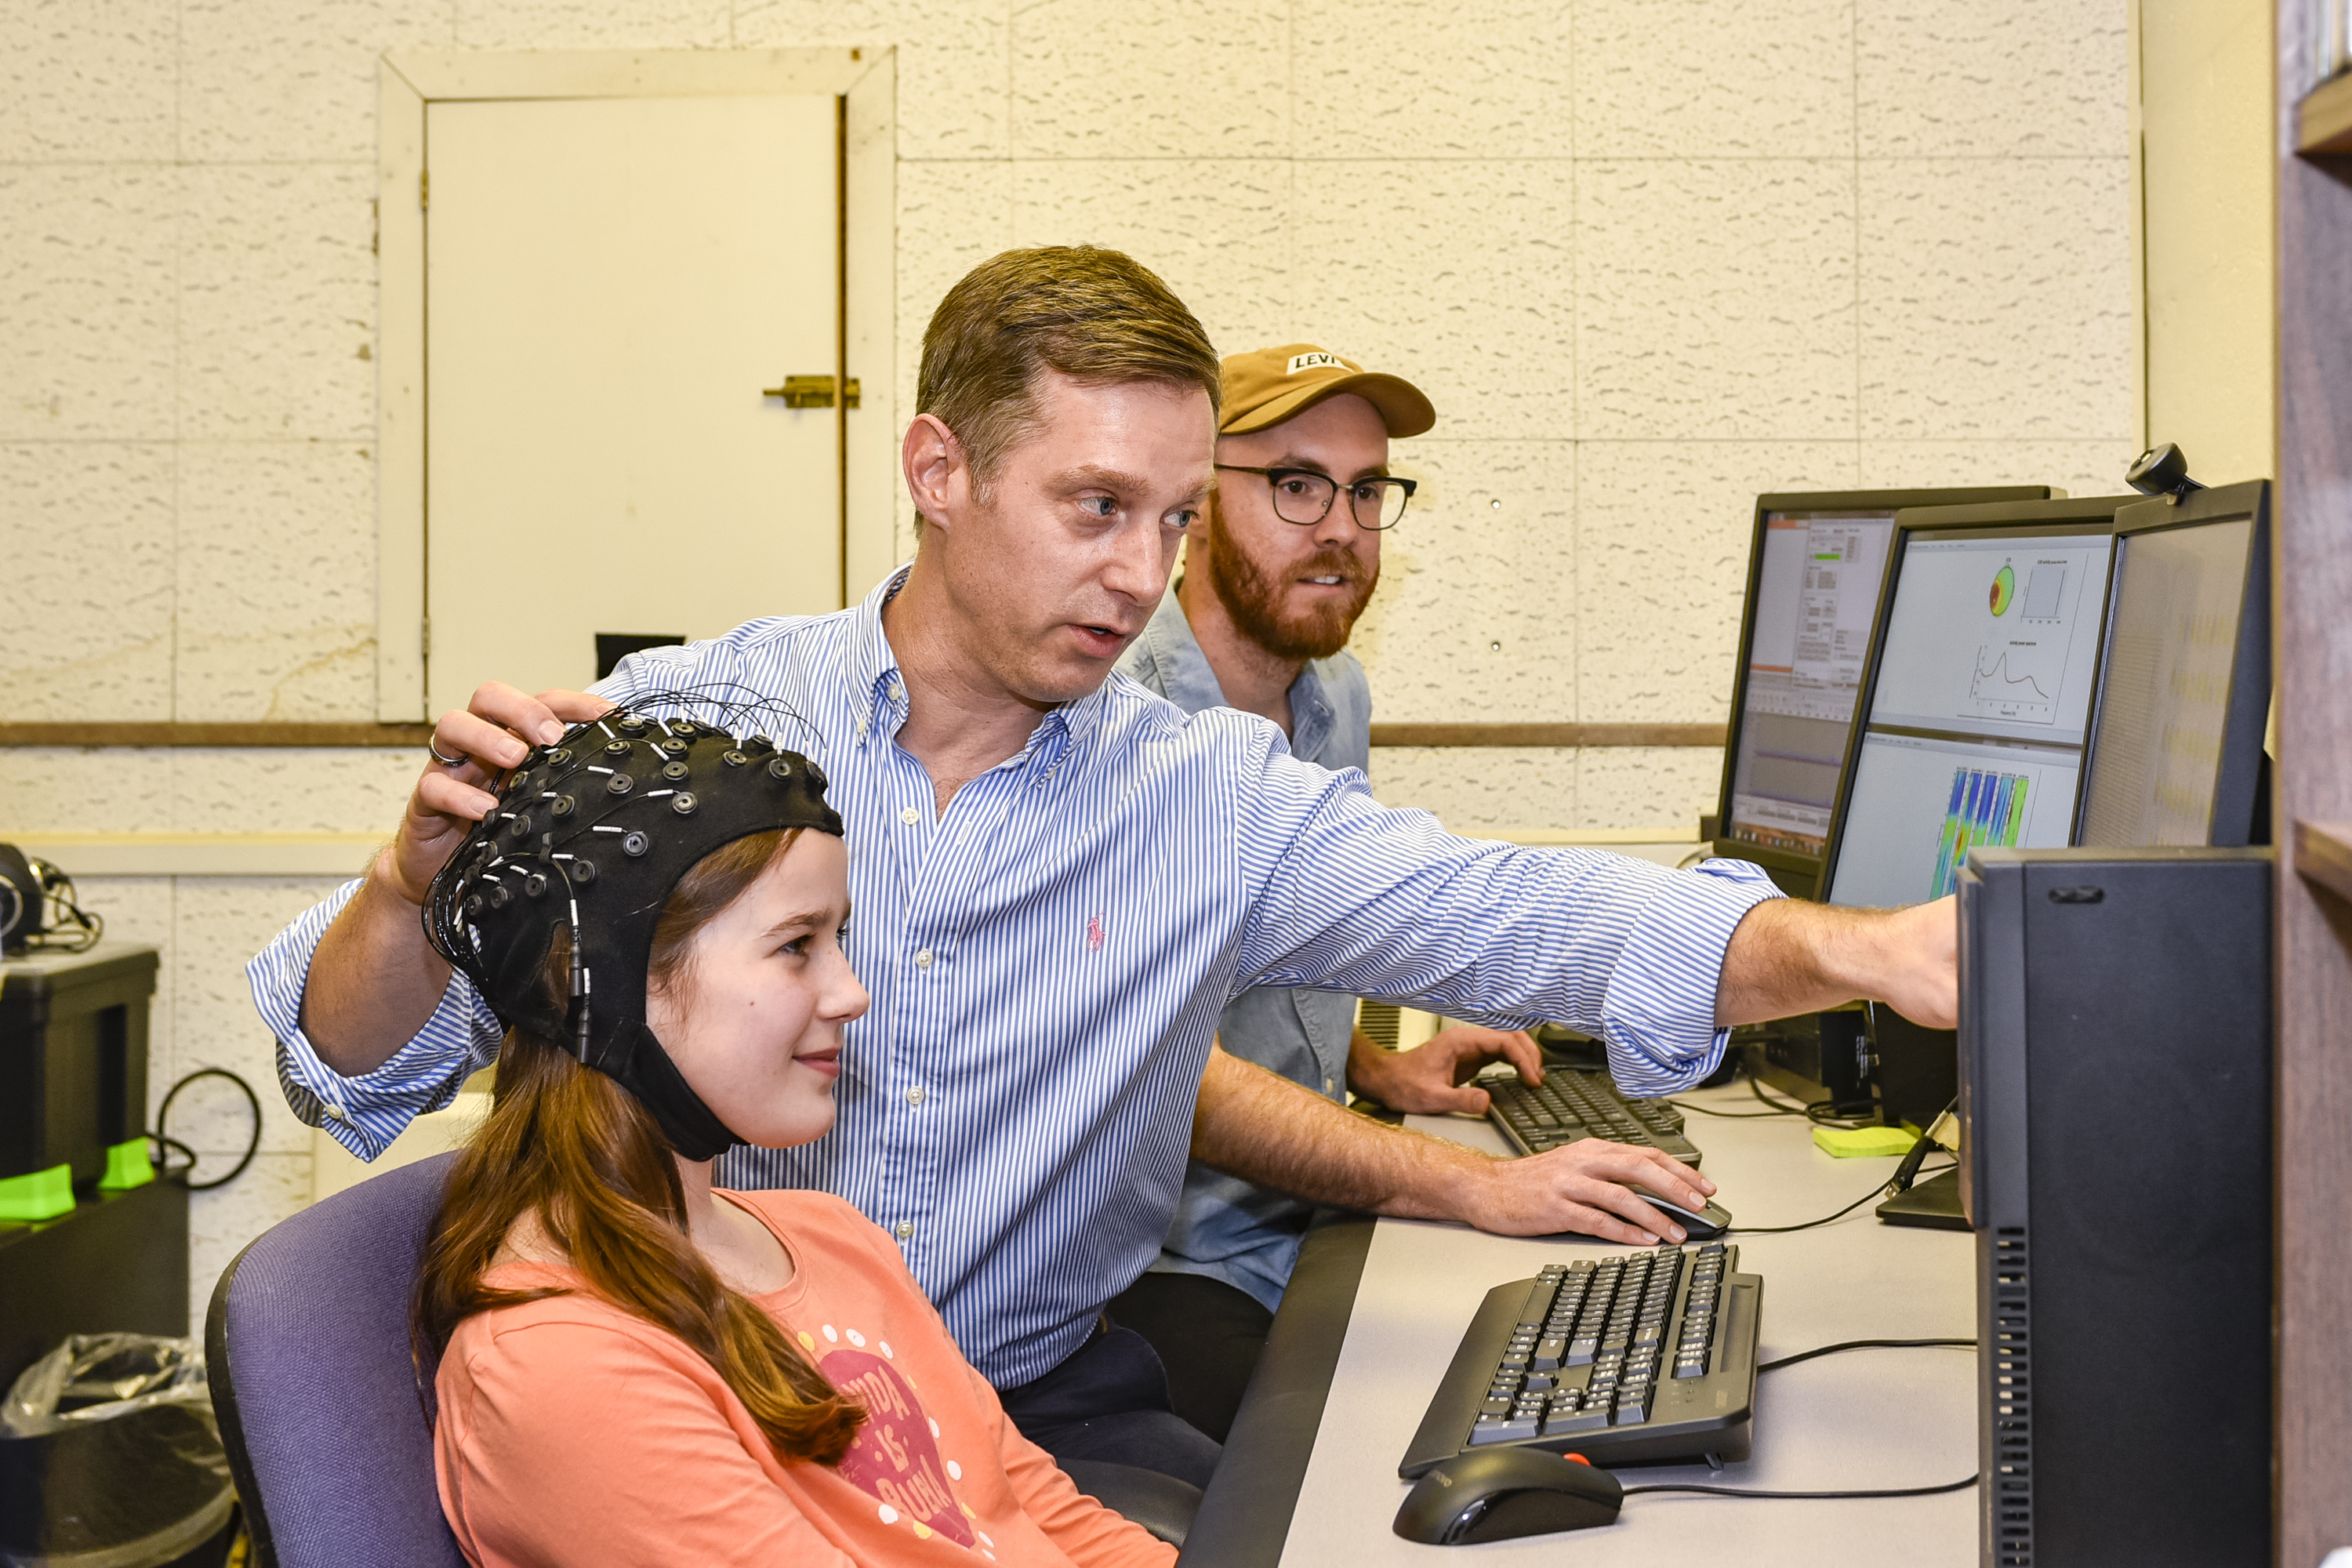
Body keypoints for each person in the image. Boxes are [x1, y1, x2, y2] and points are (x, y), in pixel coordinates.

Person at [249, 245, 1958, 1486]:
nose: (1143, 574)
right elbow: (347, 1066)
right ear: (938, 470)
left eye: (1168, 516)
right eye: (1092, 508)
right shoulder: (697, 727)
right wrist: (406, 892)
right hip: (698, 1418)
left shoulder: (1200, 792)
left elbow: (1516, 913)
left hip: (1025, 1402)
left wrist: (1866, 949)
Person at [416, 709, 1171, 1566]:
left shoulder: (833, 1235)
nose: (851, 992)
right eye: (796, 944)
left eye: (837, 937)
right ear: (604, 983)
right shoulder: (561, 1365)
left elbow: (1034, 1513)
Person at [1106, 343, 1553, 1440]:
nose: (1342, 528)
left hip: (1307, 1225)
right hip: (1152, 1272)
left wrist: (1364, 1061)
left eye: (1366, 491)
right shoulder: (1114, 723)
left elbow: (1265, 945)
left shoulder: (1332, 693)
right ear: (1197, 500)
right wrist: (1465, 1186)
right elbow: (1160, 1068)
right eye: (1296, 485)